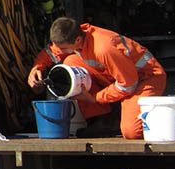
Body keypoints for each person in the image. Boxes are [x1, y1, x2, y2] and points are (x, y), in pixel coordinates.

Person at [27, 17, 167, 139]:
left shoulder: (104, 48)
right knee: (70, 62)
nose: (60, 52)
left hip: (145, 79)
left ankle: (147, 116)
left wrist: (96, 98)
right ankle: (102, 121)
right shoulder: (75, 38)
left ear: (77, 40)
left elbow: (128, 85)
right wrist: (37, 67)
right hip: (118, 77)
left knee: (131, 132)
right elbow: (51, 53)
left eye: (63, 49)